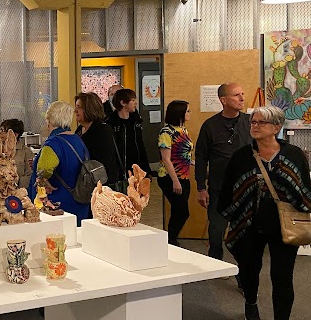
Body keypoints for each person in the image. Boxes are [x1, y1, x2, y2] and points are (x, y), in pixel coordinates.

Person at [218, 106, 311, 320]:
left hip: (283, 227)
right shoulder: (242, 156)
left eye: (261, 123)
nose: (255, 126)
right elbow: (229, 188)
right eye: (253, 122)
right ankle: (250, 301)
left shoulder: (293, 155)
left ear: (276, 127)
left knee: (283, 277)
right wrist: (230, 214)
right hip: (249, 224)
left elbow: (304, 188)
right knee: (249, 268)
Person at [195, 82, 252, 260]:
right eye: (236, 95)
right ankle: (216, 263)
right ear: (223, 100)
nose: (242, 98)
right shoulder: (210, 126)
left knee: (244, 233)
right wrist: (201, 187)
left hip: (245, 187)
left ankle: (244, 271)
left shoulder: (250, 122)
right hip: (219, 188)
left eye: (242, 94)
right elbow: (201, 157)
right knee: (216, 230)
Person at [29, 101, 91, 221]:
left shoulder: (53, 143)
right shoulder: (78, 140)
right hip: (80, 202)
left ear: (50, 121)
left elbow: (44, 168)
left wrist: (42, 180)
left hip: (57, 206)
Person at [157, 100, 194, 246]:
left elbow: (182, 154)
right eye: (188, 111)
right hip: (170, 177)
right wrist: (175, 181)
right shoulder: (166, 132)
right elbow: (166, 159)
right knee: (182, 211)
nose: (190, 114)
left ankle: (171, 239)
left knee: (179, 210)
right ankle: (171, 240)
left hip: (184, 175)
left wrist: (194, 163)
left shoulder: (183, 130)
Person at [74, 92, 121, 188]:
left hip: (102, 184)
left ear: (89, 109)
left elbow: (105, 160)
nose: (75, 110)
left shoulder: (103, 130)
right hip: (86, 183)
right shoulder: (79, 130)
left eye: (79, 107)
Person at [106, 88, 151, 178]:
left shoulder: (135, 121)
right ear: (123, 103)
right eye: (133, 100)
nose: (136, 103)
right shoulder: (111, 124)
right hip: (120, 171)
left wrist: (146, 169)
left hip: (137, 169)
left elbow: (141, 146)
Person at [0, 118, 34, 187]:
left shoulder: (26, 152)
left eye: (3, 131)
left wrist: (16, 184)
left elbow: (30, 175)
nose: (0, 133)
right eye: (0, 130)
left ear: (15, 134)